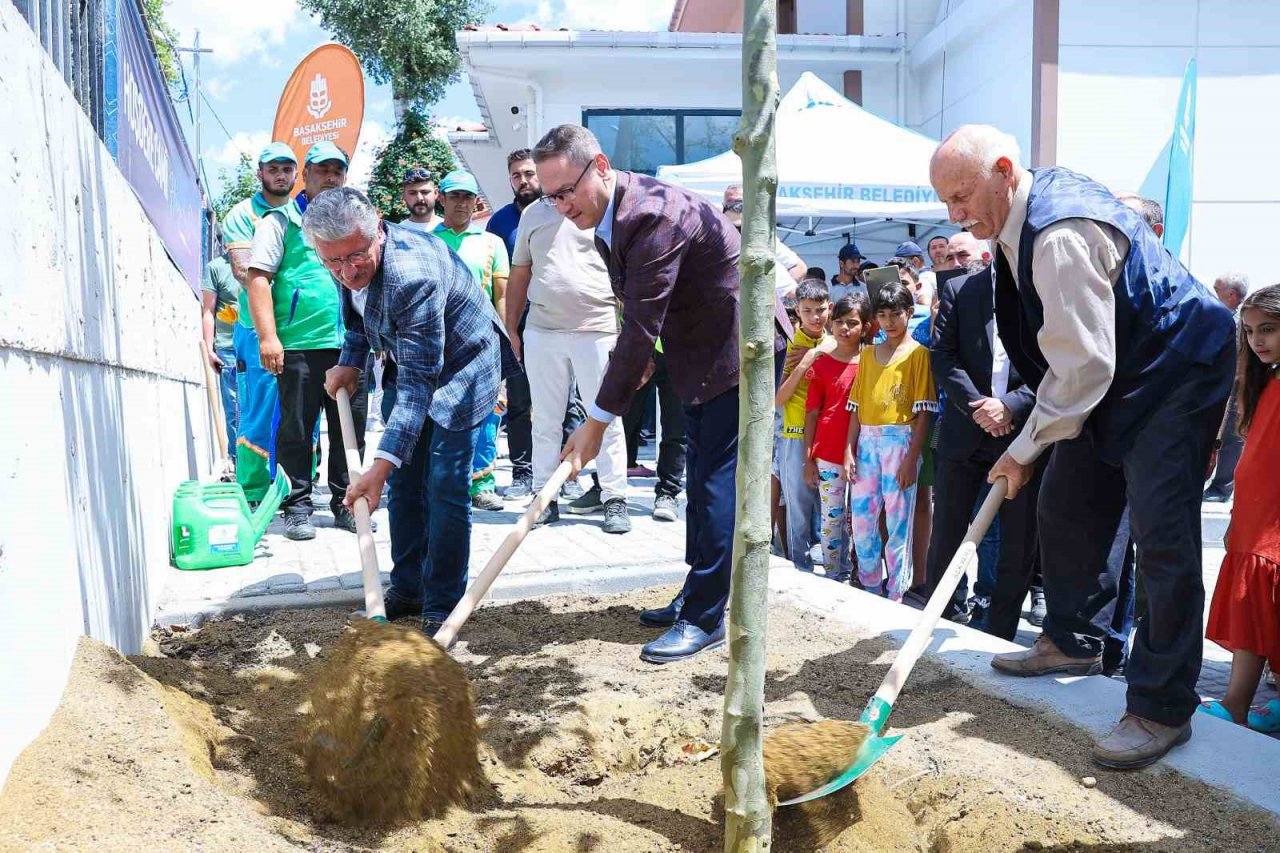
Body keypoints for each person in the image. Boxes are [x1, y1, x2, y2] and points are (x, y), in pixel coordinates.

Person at [931, 124, 1235, 769]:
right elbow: (1064, 353)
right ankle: (1072, 641)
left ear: (1004, 171)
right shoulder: (1013, 224)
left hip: (1174, 368)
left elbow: (1083, 367)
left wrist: (1024, 445)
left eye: (961, 198)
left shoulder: (1061, 233)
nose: (954, 215)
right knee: (1065, 506)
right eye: (947, 203)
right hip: (1110, 367)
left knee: (1161, 539)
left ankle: (1160, 706)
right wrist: (1037, 438)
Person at [535, 124, 740, 664]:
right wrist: (645, 356)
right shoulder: (604, 213)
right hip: (692, 348)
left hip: (734, 352)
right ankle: (698, 591)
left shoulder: (652, 216)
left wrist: (596, 422)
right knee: (699, 478)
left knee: (717, 483)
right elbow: (635, 306)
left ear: (599, 165)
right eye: (549, 196)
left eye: (566, 191)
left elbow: (638, 326)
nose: (560, 206)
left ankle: (706, 617)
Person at [308, 187, 520, 636]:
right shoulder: (341, 253)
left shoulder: (412, 274)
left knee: (443, 487)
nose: (345, 272)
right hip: (411, 361)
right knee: (405, 483)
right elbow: (358, 317)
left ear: (377, 231)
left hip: (464, 368)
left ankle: (442, 601)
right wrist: (350, 360)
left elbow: (419, 385)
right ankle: (408, 587)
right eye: (333, 263)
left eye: (354, 258)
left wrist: (377, 469)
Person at [246, 141, 366, 540]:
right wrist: (268, 337)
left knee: (352, 429)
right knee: (297, 429)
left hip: (351, 344)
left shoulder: (356, 223)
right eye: (322, 170)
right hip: (299, 345)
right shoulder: (279, 222)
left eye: (338, 170)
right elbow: (257, 277)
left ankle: (346, 503)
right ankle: (296, 506)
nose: (331, 177)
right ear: (306, 176)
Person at [506, 159, 630, 533]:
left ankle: (614, 497)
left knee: (606, 416)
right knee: (545, 417)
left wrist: (626, 329)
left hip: (598, 328)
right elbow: (519, 272)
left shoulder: (600, 208)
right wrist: (511, 328)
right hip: (543, 330)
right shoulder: (532, 214)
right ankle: (545, 497)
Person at [928, 263, 1041, 640]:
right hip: (965, 433)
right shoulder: (961, 290)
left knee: (1017, 541)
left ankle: (1000, 632)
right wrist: (981, 408)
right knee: (946, 532)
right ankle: (937, 618)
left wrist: (1010, 405)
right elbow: (942, 355)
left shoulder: (1042, 288)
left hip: (1021, 436)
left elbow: (1053, 365)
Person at [1199, 284, 1280, 732]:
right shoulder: (1264, 381)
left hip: (1273, 515)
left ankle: (1242, 701)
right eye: (1250, 332)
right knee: (1255, 599)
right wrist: (1234, 516)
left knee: (1267, 598)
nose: (1257, 341)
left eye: (1268, 329)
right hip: (1254, 512)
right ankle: (1236, 701)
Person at [847, 281, 937, 601]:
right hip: (867, 444)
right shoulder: (868, 355)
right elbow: (855, 408)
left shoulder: (918, 355)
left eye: (895, 314)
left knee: (899, 523)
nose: (889, 321)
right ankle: (870, 583)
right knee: (862, 518)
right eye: (882, 315)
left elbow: (924, 412)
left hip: (901, 441)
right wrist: (848, 450)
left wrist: (912, 458)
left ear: (909, 314)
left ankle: (896, 590)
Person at [221, 142, 299, 503]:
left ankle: (295, 487)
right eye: (273, 169)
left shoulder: (306, 214)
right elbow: (242, 270)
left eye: (287, 169)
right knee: (260, 407)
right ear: (261, 174)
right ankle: (252, 488)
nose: (280, 175)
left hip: (302, 330)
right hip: (257, 329)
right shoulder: (242, 214)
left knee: (300, 412)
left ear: (297, 174)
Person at [431, 169, 511, 512]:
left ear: (476, 201)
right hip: (439, 344)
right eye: (454, 196)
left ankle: (482, 483)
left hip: (483, 343)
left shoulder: (491, 243)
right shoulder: (427, 241)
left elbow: (502, 298)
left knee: (488, 412)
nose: (461, 203)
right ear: (442, 199)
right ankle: (443, 481)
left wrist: (508, 345)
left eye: (467, 197)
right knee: (439, 413)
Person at [803, 294, 870, 583]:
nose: (845, 328)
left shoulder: (872, 361)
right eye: (839, 322)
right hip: (827, 452)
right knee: (832, 517)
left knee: (861, 518)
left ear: (865, 327)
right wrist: (808, 460)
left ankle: (859, 573)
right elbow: (811, 414)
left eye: (852, 323)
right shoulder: (822, 364)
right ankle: (834, 575)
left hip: (866, 452)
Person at [774, 279, 833, 572]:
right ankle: (799, 567)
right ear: (797, 310)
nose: (815, 317)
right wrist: (805, 362)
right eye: (808, 310)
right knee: (798, 508)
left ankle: (837, 566)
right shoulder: (789, 345)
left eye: (820, 309)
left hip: (829, 437)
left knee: (832, 508)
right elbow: (778, 398)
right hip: (794, 434)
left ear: (829, 308)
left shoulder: (837, 342)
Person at [1204, 272, 1251, 502]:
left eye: (1217, 289)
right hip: (1225, 385)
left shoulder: (1236, 321)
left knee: (1231, 436)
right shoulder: (1229, 318)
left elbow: (1236, 361)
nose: (1213, 294)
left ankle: (1222, 488)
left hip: (1235, 387)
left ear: (1231, 295)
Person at [201, 248, 240, 456]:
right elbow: (208, 311)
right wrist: (209, 349)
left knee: (259, 408)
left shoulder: (263, 264)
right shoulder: (216, 267)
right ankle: (237, 461)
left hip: (258, 346)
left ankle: (262, 465)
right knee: (234, 408)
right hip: (228, 348)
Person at [398, 167, 442, 233]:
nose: (419, 198)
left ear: (436, 193)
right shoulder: (397, 233)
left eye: (425, 192)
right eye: (412, 193)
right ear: (403, 196)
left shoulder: (451, 230)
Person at [895, 241, 936, 308]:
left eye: (902, 263)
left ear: (915, 261)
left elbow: (924, 303)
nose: (899, 268)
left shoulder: (923, 278)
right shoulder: (931, 275)